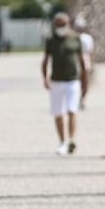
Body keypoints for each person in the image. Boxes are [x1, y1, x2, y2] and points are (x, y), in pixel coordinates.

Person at [42, 12, 88, 155]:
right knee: (58, 112)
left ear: (68, 24)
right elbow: (45, 60)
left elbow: (82, 61)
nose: (61, 27)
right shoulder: (51, 40)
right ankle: (62, 141)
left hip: (72, 80)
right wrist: (45, 78)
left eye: (63, 24)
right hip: (56, 81)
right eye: (58, 25)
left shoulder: (75, 39)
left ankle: (71, 139)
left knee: (72, 110)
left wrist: (85, 81)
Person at [73, 16, 95, 109]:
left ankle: (82, 99)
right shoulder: (72, 37)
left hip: (85, 61)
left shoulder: (87, 38)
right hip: (74, 61)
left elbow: (90, 51)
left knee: (85, 82)